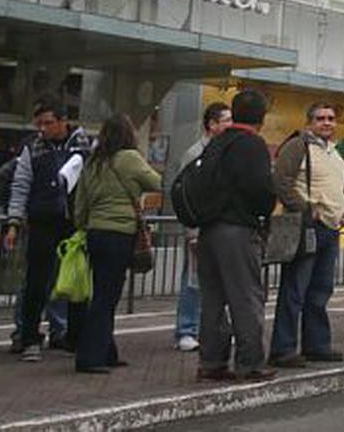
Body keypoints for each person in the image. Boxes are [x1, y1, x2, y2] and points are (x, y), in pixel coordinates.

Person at [5, 93, 93, 362]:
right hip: (43, 220)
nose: (42, 129)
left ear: (62, 121)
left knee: (76, 279)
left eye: (47, 123)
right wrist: (14, 222)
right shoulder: (33, 148)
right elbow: (21, 186)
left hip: (74, 222)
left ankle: (73, 336)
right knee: (37, 280)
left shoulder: (84, 147)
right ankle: (29, 336)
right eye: (39, 124)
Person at [196, 89, 277, 382]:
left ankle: (212, 360)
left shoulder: (217, 143)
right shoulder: (252, 144)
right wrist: (264, 211)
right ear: (262, 117)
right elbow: (261, 189)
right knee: (245, 297)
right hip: (238, 229)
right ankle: (250, 361)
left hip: (208, 229)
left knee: (213, 298)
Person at [71, 113, 162, 374]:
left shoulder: (93, 162)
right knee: (106, 297)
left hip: (95, 232)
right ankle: (90, 356)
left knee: (101, 291)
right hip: (120, 233)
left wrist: (83, 225)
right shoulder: (130, 159)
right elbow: (157, 182)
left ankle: (107, 351)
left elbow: (81, 202)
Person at [269, 101, 344, 367]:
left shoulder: (335, 153)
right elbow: (281, 181)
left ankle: (317, 345)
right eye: (320, 118)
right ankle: (283, 349)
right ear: (309, 122)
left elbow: (343, 186)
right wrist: (305, 208)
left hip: (331, 227)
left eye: (330, 118)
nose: (327, 122)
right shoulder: (298, 146)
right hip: (306, 227)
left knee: (320, 290)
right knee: (295, 289)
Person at [172, 102, 232, 352]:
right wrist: (192, 232)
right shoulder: (195, 153)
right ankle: (186, 329)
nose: (230, 125)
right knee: (193, 281)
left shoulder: (227, 151)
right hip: (199, 228)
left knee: (222, 282)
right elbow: (187, 194)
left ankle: (215, 329)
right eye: (226, 120)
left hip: (221, 227)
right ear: (212, 124)